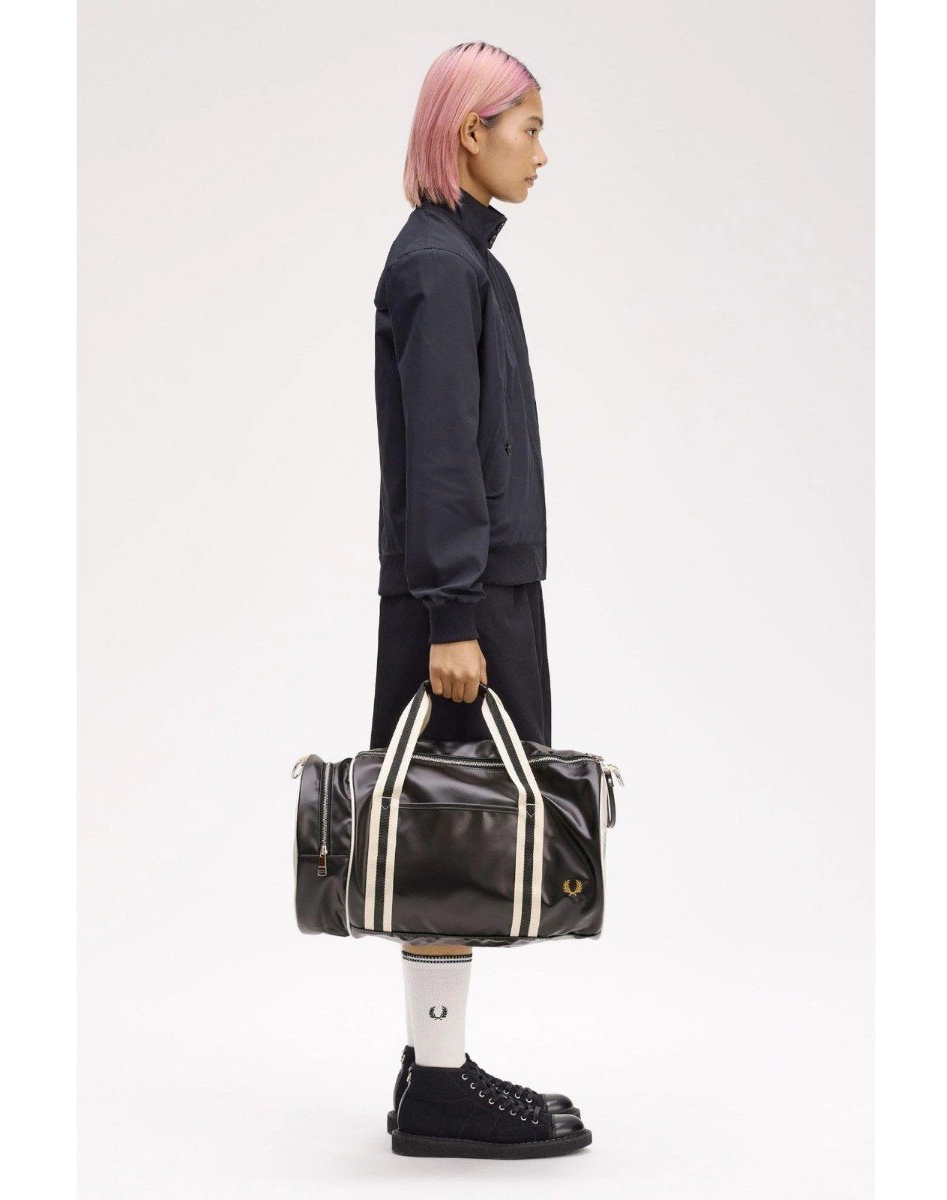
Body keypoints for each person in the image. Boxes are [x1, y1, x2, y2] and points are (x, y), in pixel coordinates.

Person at [368, 42, 591, 1159]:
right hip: (460, 595)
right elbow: (446, 458)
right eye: (529, 129)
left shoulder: (457, 262)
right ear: (472, 133)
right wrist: (454, 616)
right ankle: (442, 1087)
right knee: (448, 831)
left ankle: (434, 1068)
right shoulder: (440, 268)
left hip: (471, 583)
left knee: (454, 828)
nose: (541, 154)